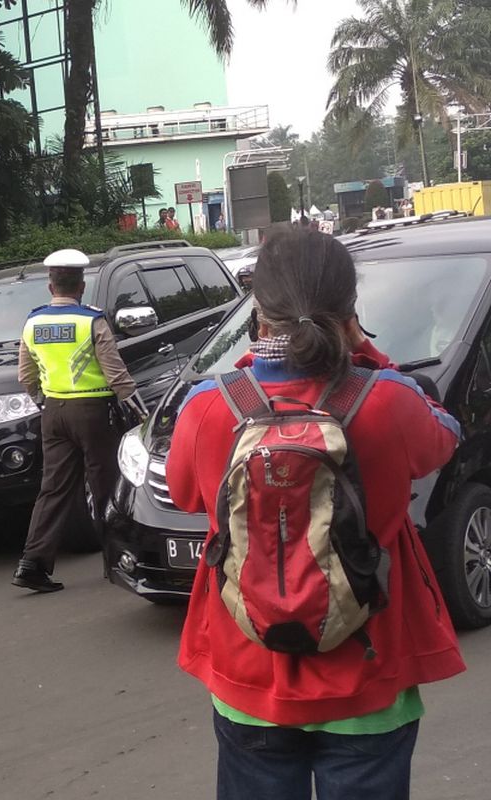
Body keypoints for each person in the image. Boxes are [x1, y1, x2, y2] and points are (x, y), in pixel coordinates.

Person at [166, 229, 464, 800]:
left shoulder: (209, 407)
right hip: (366, 673)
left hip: (247, 673)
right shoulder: (388, 400)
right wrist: (369, 355)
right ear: (351, 312)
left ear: (258, 309)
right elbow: (442, 436)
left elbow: (184, 495)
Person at [11, 249, 145, 593]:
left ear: (50, 286)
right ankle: (116, 560)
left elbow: (25, 375)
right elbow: (116, 373)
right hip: (92, 410)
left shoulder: (33, 322)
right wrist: (141, 413)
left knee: (53, 488)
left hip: (53, 411)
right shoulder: (91, 320)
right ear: (82, 286)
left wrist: (44, 400)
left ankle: (32, 563)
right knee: (106, 484)